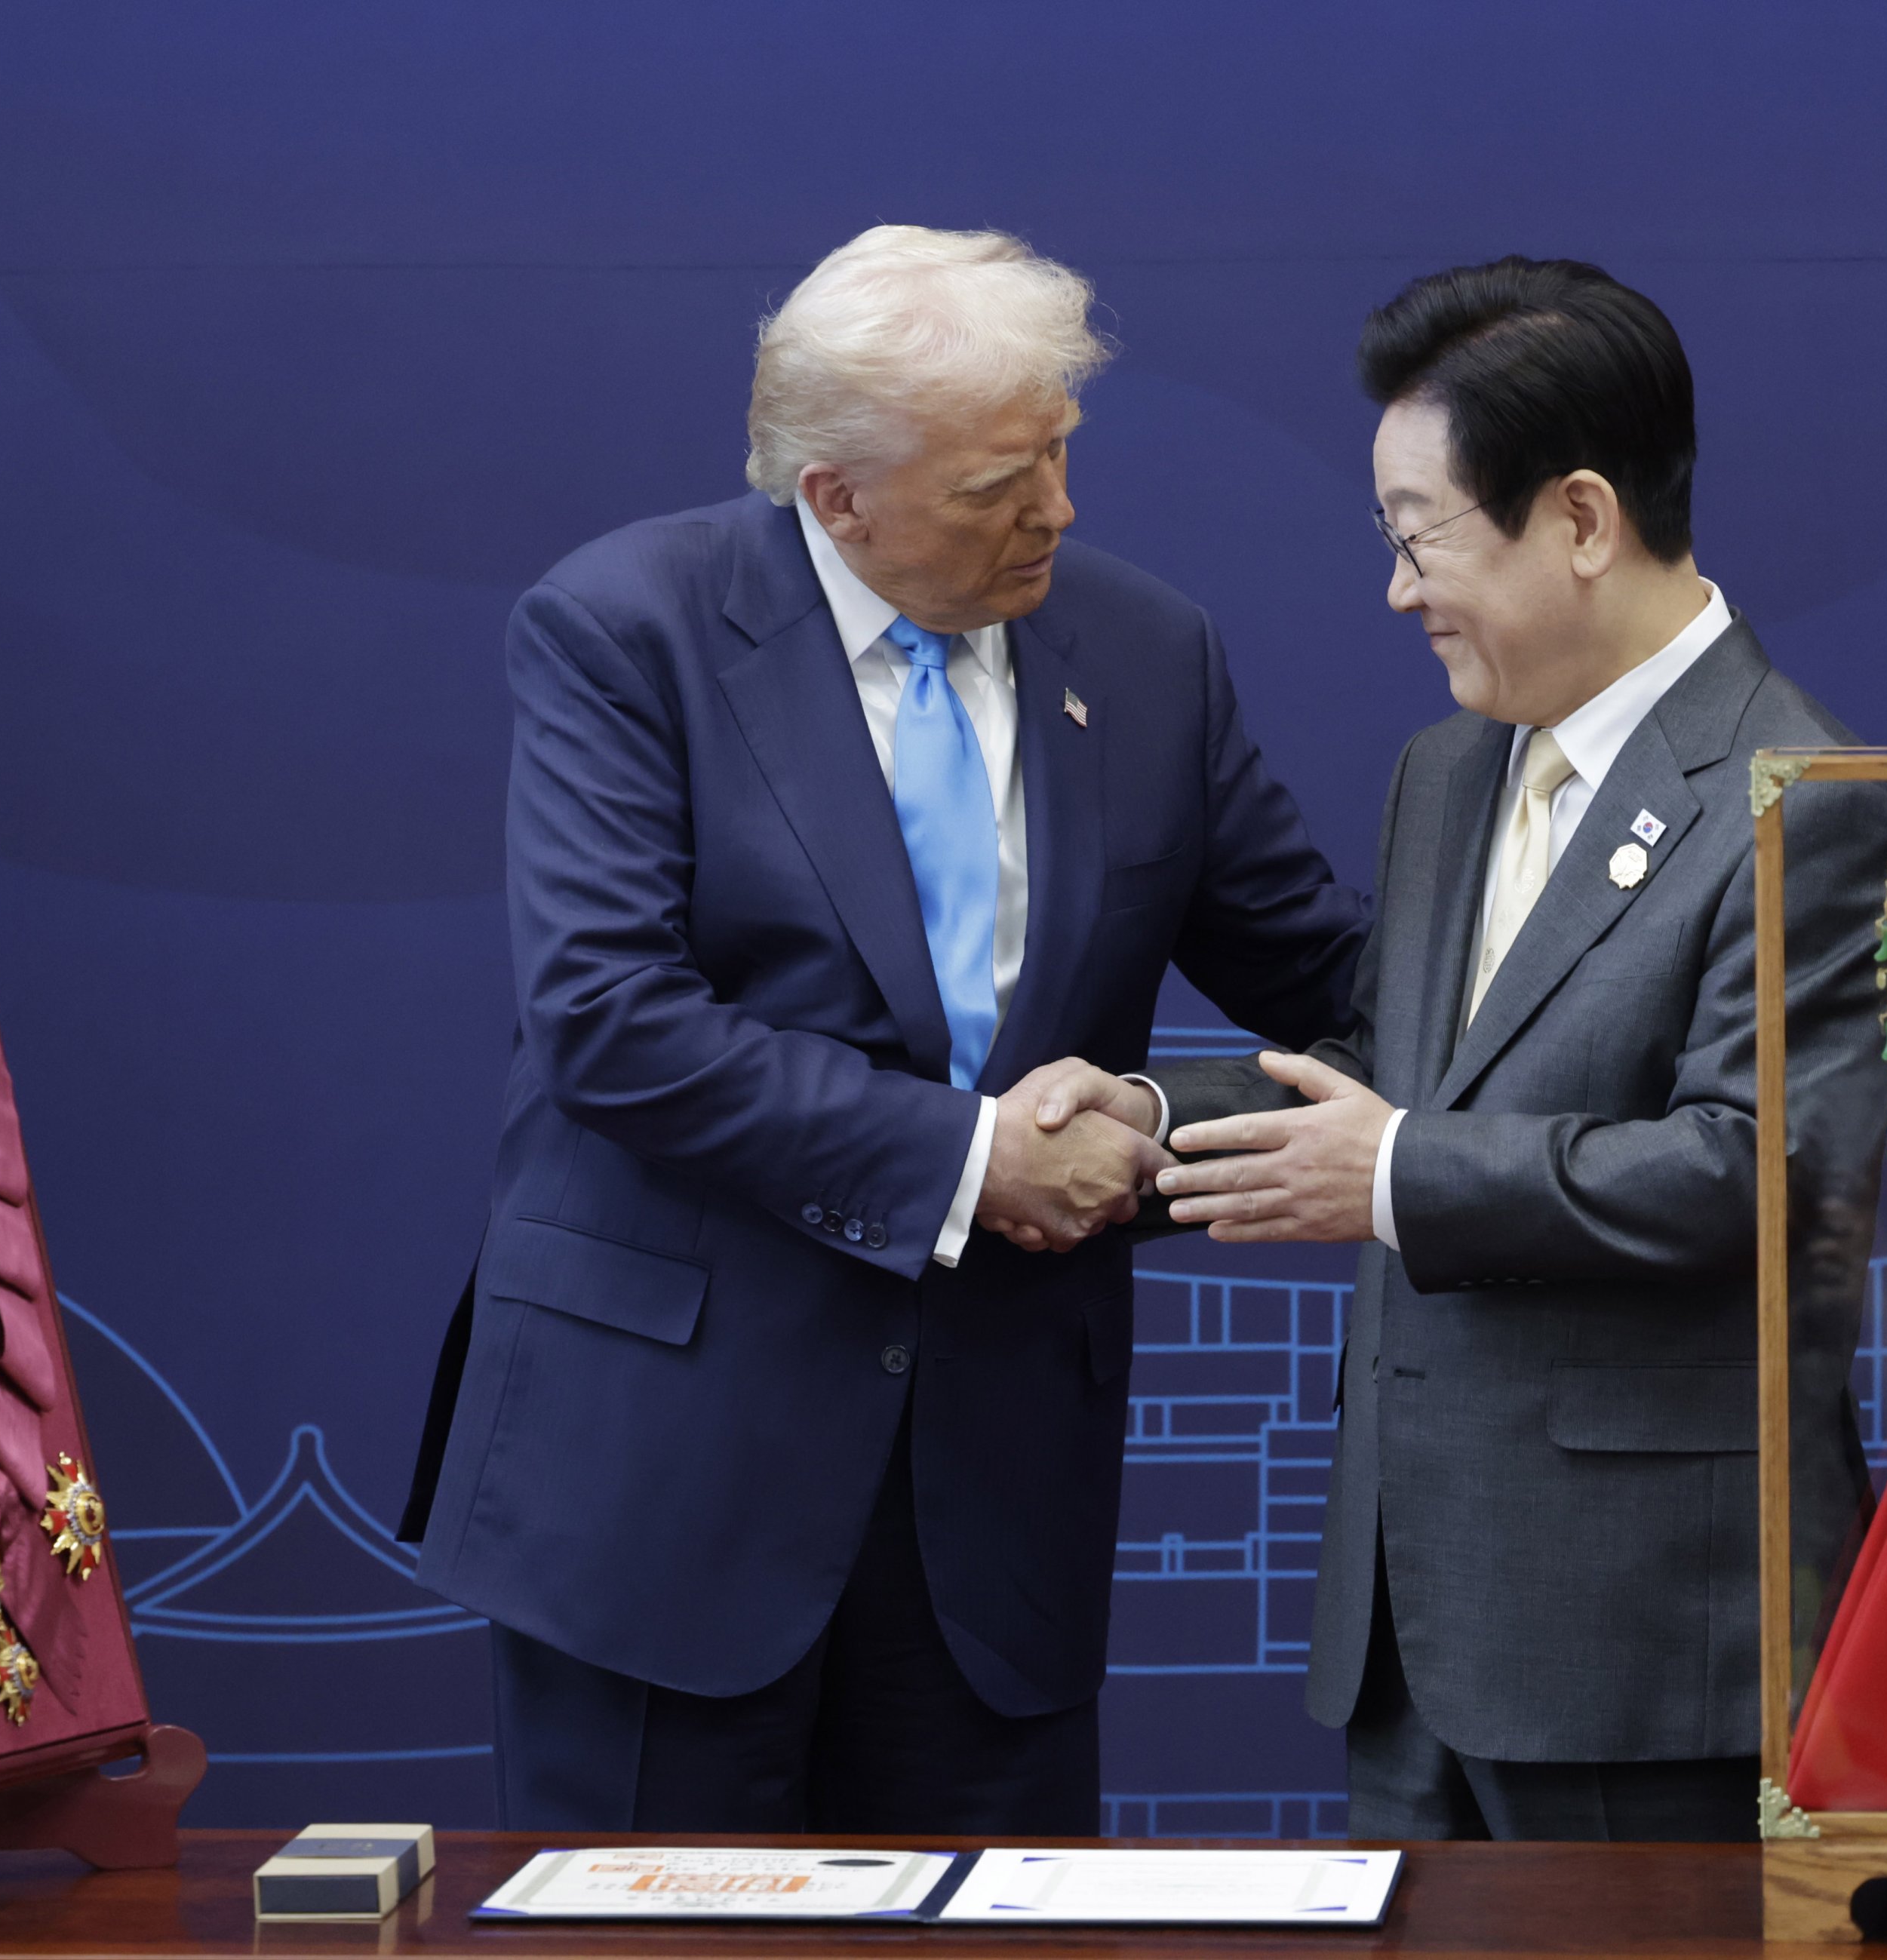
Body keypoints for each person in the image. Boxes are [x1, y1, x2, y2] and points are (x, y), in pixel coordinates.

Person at [399, 226, 1369, 1836]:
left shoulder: (1142, 652)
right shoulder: (625, 627)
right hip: (664, 1491)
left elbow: (1334, 985)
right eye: (1000, 483)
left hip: (988, 1514)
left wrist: (1142, 1105)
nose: (1055, 510)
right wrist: (972, 1157)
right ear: (831, 495)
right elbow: (608, 1018)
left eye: (1060, 454)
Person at [1030, 258, 1887, 1841]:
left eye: (1418, 535)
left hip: (1646, 1646)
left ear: (1578, 519)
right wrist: (1151, 1118)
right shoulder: (1450, 770)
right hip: (1411, 1633)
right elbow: (1397, 1070)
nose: (1395, 588)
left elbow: (1759, 1170)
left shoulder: (1800, 798)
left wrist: (1399, 1174)